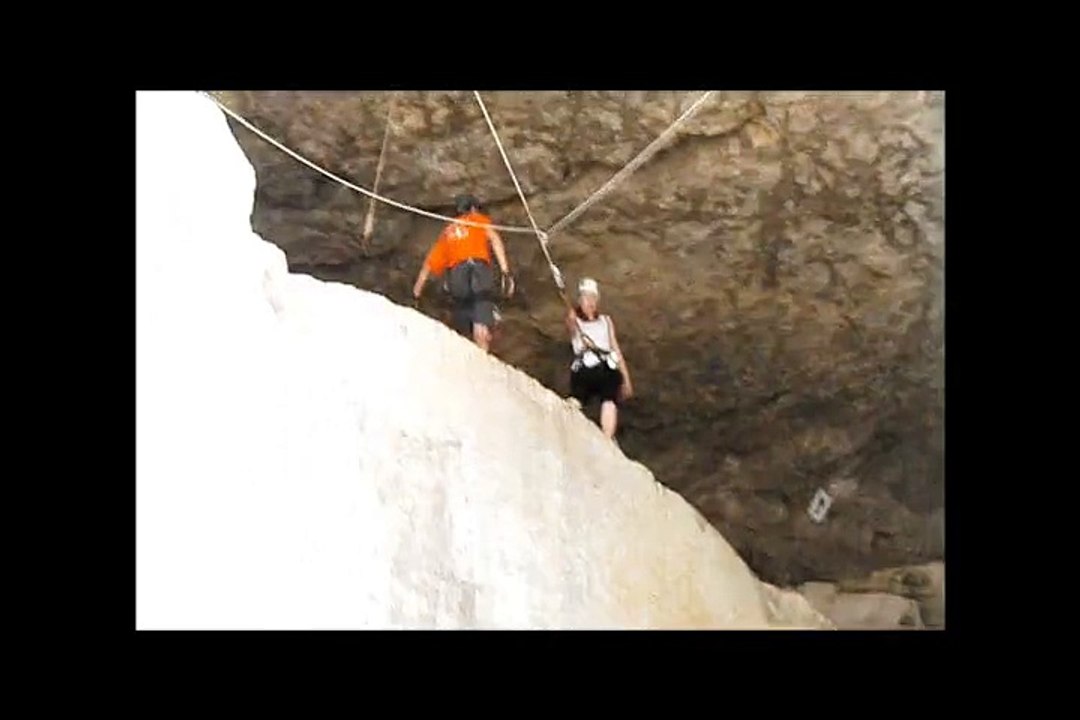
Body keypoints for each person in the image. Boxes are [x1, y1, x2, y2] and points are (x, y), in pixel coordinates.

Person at [412, 194, 514, 352]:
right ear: (473, 208)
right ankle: (482, 349)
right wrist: (505, 272)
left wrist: (416, 293)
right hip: (478, 269)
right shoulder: (478, 219)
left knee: (465, 313)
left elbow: (428, 265)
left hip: (457, 276)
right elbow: (494, 239)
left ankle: (470, 341)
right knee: (481, 310)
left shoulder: (448, 232)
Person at [565, 277, 634, 439]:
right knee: (578, 396)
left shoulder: (606, 321)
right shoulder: (575, 320)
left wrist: (626, 379)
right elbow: (571, 326)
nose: (590, 302)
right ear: (580, 300)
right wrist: (571, 317)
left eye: (593, 297)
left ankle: (607, 438)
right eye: (586, 297)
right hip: (584, 368)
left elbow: (615, 349)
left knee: (610, 395)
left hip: (605, 368)